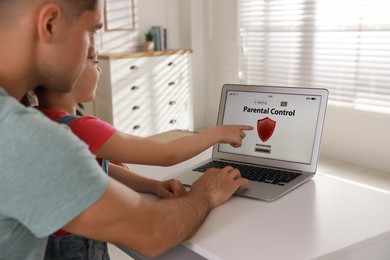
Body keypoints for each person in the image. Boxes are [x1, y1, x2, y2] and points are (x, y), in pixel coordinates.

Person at [0, 1, 250, 259]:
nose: (93, 48)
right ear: (49, 24)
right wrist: (207, 193)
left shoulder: (26, 126)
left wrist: (153, 185)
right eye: (90, 31)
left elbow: (95, 171)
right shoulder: (27, 139)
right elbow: (153, 232)